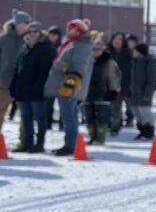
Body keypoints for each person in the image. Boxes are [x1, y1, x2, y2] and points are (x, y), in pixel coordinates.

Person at [46, 19, 94, 156]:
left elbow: (78, 69)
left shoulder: (81, 46)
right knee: (69, 115)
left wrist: (59, 65)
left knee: (69, 116)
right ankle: (70, 143)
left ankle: (71, 145)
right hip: (67, 86)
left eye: (70, 28)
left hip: (70, 87)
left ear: (78, 30)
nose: (67, 30)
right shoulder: (73, 43)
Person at [8, 22, 54, 153]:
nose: (32, 34)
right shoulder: (25, 47)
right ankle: (27, 142)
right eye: (30, 31)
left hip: (38, 90)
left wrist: (41, 87)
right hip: (23, 89)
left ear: (40, 33)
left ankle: (39, 143)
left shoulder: (46, 47)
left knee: (40, 118)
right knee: (26, 117)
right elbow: (17, 68)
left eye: (35, 31)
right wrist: (13, 87)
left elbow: (47, 71)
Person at [84, 33, 121, 147]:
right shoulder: (87, 61)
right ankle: (92, 137)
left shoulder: (109, 62)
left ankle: (100, 138)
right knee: (89, 117)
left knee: (102, 118)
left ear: (102, 50)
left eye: (98, 49)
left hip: (103, 93)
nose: (96, 52)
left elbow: (114, 78)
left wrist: (112, 91)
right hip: (88, 93)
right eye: (94, 49)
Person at [0, 9, 31, 125]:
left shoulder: (29, 40)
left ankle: (25, 136)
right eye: (25, 23)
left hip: (22, 83)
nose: (26, 26)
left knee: (25, 114)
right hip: (4, 82)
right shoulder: (4, 39)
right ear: (17, 23)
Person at [128, 43, 156, 141]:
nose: (133, 52)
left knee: (145, 113)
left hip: (143, 93)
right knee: (137, 113)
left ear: (140, 52)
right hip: (134, 93)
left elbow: (152, 79)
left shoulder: (149, 61)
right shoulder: (134, 61)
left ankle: (149, 133)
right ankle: (142, 132)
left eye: (135, 51)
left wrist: (148, 93)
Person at [107, 31, 130, 135]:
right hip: (107, 83)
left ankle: (115, 126)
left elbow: (129, 70)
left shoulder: (127, 53)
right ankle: (109, 124)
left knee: (116, 106)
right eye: (115, 39)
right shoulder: (107, 52)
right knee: (107, 107)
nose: (117, 41)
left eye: (120, 39)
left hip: (121, 84)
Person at [123, 35, 140, 127]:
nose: (131, 44)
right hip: (124, 80)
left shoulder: (138, 53)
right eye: (129, 42)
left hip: (134, 81)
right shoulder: (124, 52)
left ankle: (130, 118)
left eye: (133, 42)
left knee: (130, 102)